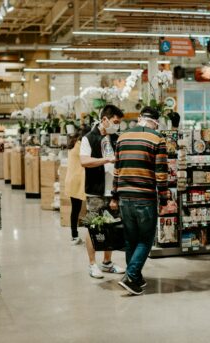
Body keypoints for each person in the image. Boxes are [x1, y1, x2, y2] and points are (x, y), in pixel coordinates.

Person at [111, 106, 168, 295]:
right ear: (156, 122)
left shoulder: (122, 137)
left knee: (131, 240)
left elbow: (116, 171)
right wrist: (165, 200)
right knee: (145, 240)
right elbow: (161, 173)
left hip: (124, 197)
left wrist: (114, 195)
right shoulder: (157, 138)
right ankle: (130, 275)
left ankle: (135, 278)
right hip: (145, 197)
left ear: (139, 118)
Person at [79, 105, 126, 279]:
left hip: (113, 190)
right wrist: (106, 159)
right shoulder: (88, 138)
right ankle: (92, 264)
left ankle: (107, 262)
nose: (117, 125)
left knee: (111, 227)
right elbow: (84, 161)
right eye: (115, 122)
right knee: (93, 227)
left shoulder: (116, 138)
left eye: (119, 122)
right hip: (95, 191)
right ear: (104, 120)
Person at [64, 125, 90, 246]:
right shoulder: (80, 145)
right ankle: (78, 236)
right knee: (79, 209)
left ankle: (74, 235)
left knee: (75, 209)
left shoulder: (73, 143)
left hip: (71, 179)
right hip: (78, 180)